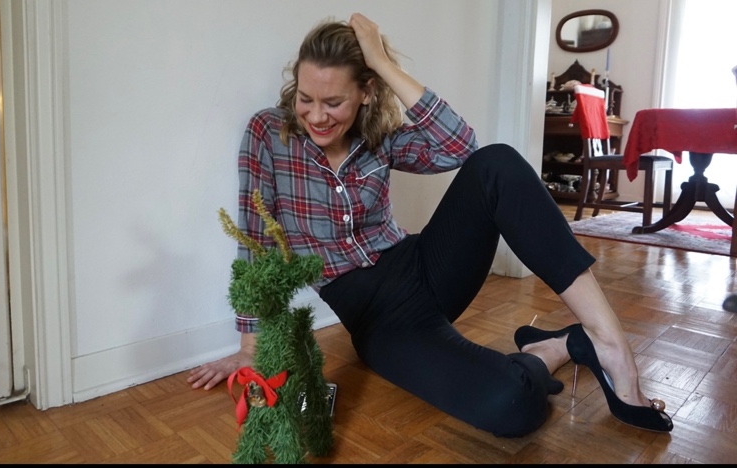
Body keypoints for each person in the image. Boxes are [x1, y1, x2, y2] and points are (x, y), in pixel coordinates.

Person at [188, 13, 673, 438]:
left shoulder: (379, 137)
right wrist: (249, 346)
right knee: (511, 405)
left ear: (365, 93)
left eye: (333, 101)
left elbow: (462, 147)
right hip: (378, 317)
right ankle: (561, 345)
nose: (316, 115)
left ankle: (610, 342)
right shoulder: (268, 135)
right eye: (305, 98)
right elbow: (254, 238)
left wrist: (382, 61)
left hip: (424, 265)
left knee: (497, 163)